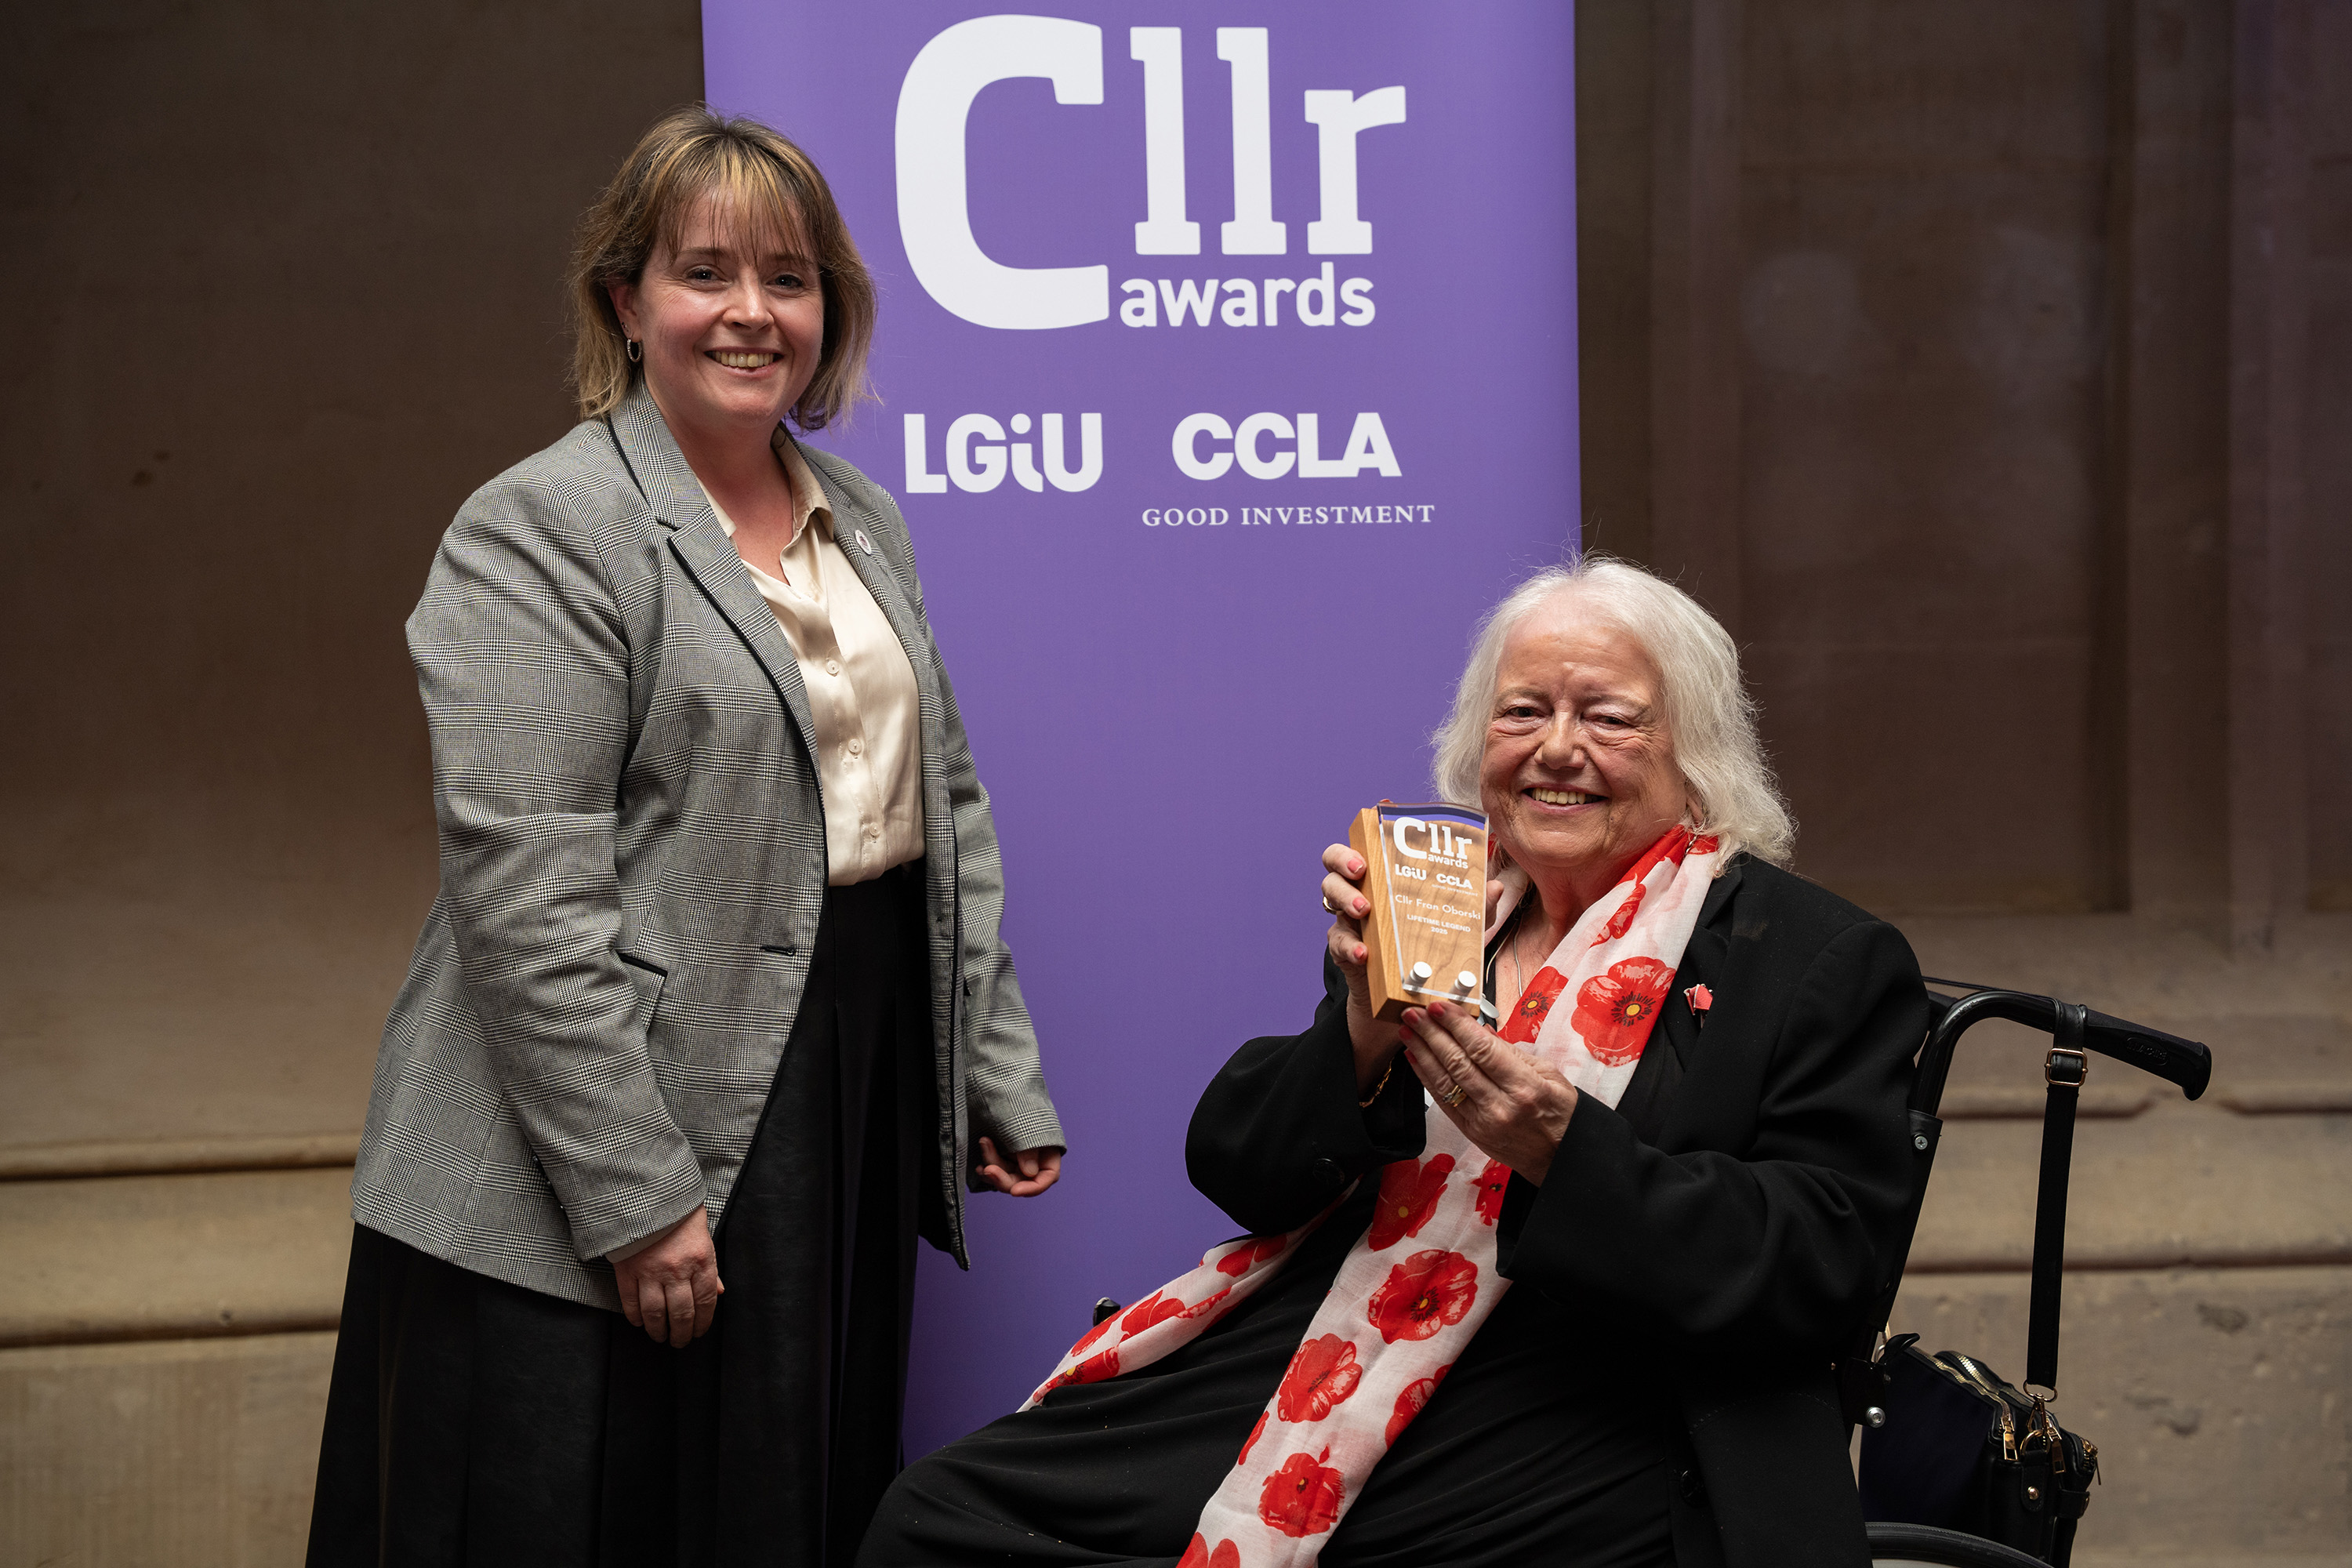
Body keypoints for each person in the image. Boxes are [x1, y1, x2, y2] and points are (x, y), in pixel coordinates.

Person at [305, 107, 1066, 1568]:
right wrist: (637, 1198)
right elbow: (525, 895)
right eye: (704, 272)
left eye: (788, 278)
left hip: (835, 1072)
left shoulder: (863, 520)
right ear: (626, 302)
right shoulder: (542, 527)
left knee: (780, 1494)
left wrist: (987, 1067)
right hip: (593, 1120)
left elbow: (937, 801)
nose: (751, 314)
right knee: (597, 1508)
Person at [858, 558, 1927, 1568]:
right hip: (1352, 1326)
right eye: (1523, 712)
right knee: (946, 1516)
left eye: (1607, 717)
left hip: (1620, 1389)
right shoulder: (1443, 905)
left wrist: (1565, 1150)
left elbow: (1824, 1270)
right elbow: (1245, 1174)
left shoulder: (1811, 959)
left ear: (1695, 753)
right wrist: (1364, 1031)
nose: (1558, 748)